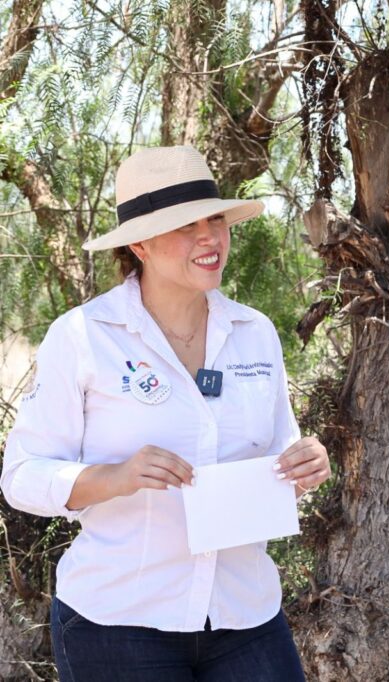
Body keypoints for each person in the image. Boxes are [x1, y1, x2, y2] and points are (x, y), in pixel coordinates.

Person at [1, 146, 332, 681]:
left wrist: (304, 466)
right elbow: (21, 475)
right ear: (140, 244)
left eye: (215, 219)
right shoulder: (83, 337)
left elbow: (276, 458)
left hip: (244, 616)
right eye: (184, 226)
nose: (209, 238)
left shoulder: (255, 333)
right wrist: (115, 477)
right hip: (118, 624)